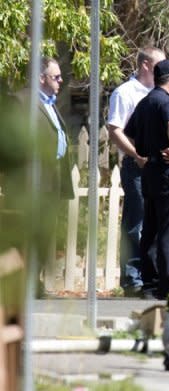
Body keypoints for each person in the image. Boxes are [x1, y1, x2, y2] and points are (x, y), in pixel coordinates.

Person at [107, 47, 169, 297]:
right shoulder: (139, 95)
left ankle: (148, 283)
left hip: (151, 169)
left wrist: (147, 150)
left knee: (151, 229)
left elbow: (133, 129)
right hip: (158, 169)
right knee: (165, 230)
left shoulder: (147, 100)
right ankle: (164, 285)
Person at [12, 57, 74, 295]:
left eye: (59, 76)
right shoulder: (21, 101)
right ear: (40, 78)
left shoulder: (50, 103)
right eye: (55, 77)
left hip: (52, 180)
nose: (60, 81)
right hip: (32, 181)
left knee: (43, 234)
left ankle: (32, 282)